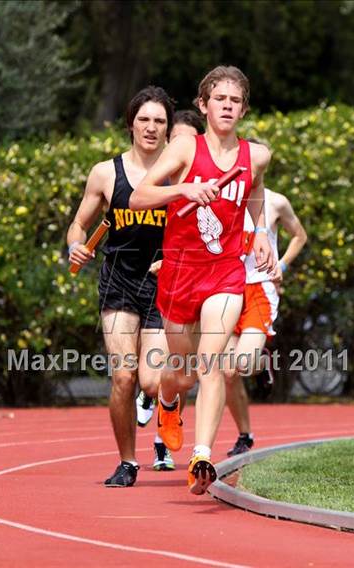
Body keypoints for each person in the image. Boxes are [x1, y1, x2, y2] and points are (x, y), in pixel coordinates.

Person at [130, 66, 275, 495]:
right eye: (220, 99)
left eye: (235, 101)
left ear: (244, 109)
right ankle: (168, 403)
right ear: (203, 105)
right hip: (180, 271)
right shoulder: (184, 149)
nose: (227, 106)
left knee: (213, 362)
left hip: (227, 271)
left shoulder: (257, 155)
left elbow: (257, 191)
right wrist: (184, 191)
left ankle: (201, 455)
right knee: (182, 373)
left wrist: (261, 232)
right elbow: (140, 196)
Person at [67, 86, 175, 486]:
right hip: (118, 283)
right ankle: (128, 462)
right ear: (131, 124)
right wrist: (76, 247)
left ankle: (161, 398)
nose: (151, 127)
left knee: (149, 380)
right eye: (144, 119)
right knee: (123, 377)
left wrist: (176, 258)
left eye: (159, 121)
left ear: (168, 129)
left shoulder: (178, 172)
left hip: (164, 284)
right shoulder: (104, 173)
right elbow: (78, 225)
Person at [224, 183, 307, 456]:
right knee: (227, 372)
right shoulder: (223, 197)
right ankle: (245, 435)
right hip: (227, 288)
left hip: (260, 288)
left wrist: (281, 265)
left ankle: (261, 362)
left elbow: (299, 236)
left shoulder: (275, 202)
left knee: (244, 364)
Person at [135, 109, 205, 432]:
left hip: (189, 281)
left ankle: (165, 437)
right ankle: (156, 400)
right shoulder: (153, 184)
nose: (182, 148)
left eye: (189, 141)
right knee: (150, 378)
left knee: (185, 372)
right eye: (176, 140)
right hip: (148, 285)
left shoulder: (204, 187)